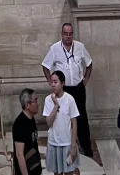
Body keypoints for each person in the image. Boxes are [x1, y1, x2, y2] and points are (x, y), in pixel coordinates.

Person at [41, 24, 92, 158]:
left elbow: (89, 63)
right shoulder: (55, 49)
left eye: (70, 34)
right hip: (64, 89)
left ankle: (86, 146)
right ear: (62, 34)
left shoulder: (80, 47)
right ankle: (66, 145)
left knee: (81, 117)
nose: (68, 36)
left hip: (78, 88)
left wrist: (85, 79)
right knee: (63, 117)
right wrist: (51, 81)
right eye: (65, 33)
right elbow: (45, 65)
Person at [42, 72, 79, 175]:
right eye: (51, 82)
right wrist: (55, 105)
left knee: (69, 172)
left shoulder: (69, 99)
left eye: (55, 82)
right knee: (57, 173)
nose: (53, 84)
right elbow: (49, 122)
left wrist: (73, 145)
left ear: (62, 83)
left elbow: (74, 123)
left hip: (67, 143)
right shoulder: (48, 100)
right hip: (53, 143)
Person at [12, 88, 42, 175]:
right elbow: (19, 154)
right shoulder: (20, 124)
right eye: (35, 101)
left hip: (35, 168)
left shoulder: (31, 119)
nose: (37, 104)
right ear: (27, 105)